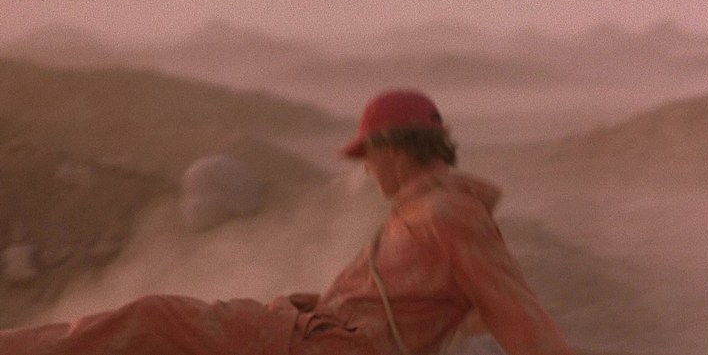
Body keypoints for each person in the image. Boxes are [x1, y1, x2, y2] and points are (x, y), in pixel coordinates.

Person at [0, 89, 574, 355]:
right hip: (314, 334)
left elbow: (521, 320)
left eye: (368, 154)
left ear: (394, 148)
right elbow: (455, 314)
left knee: (154, 318)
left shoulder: (449, 215)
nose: (367, 168)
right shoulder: (429, 210)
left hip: (325, 349)